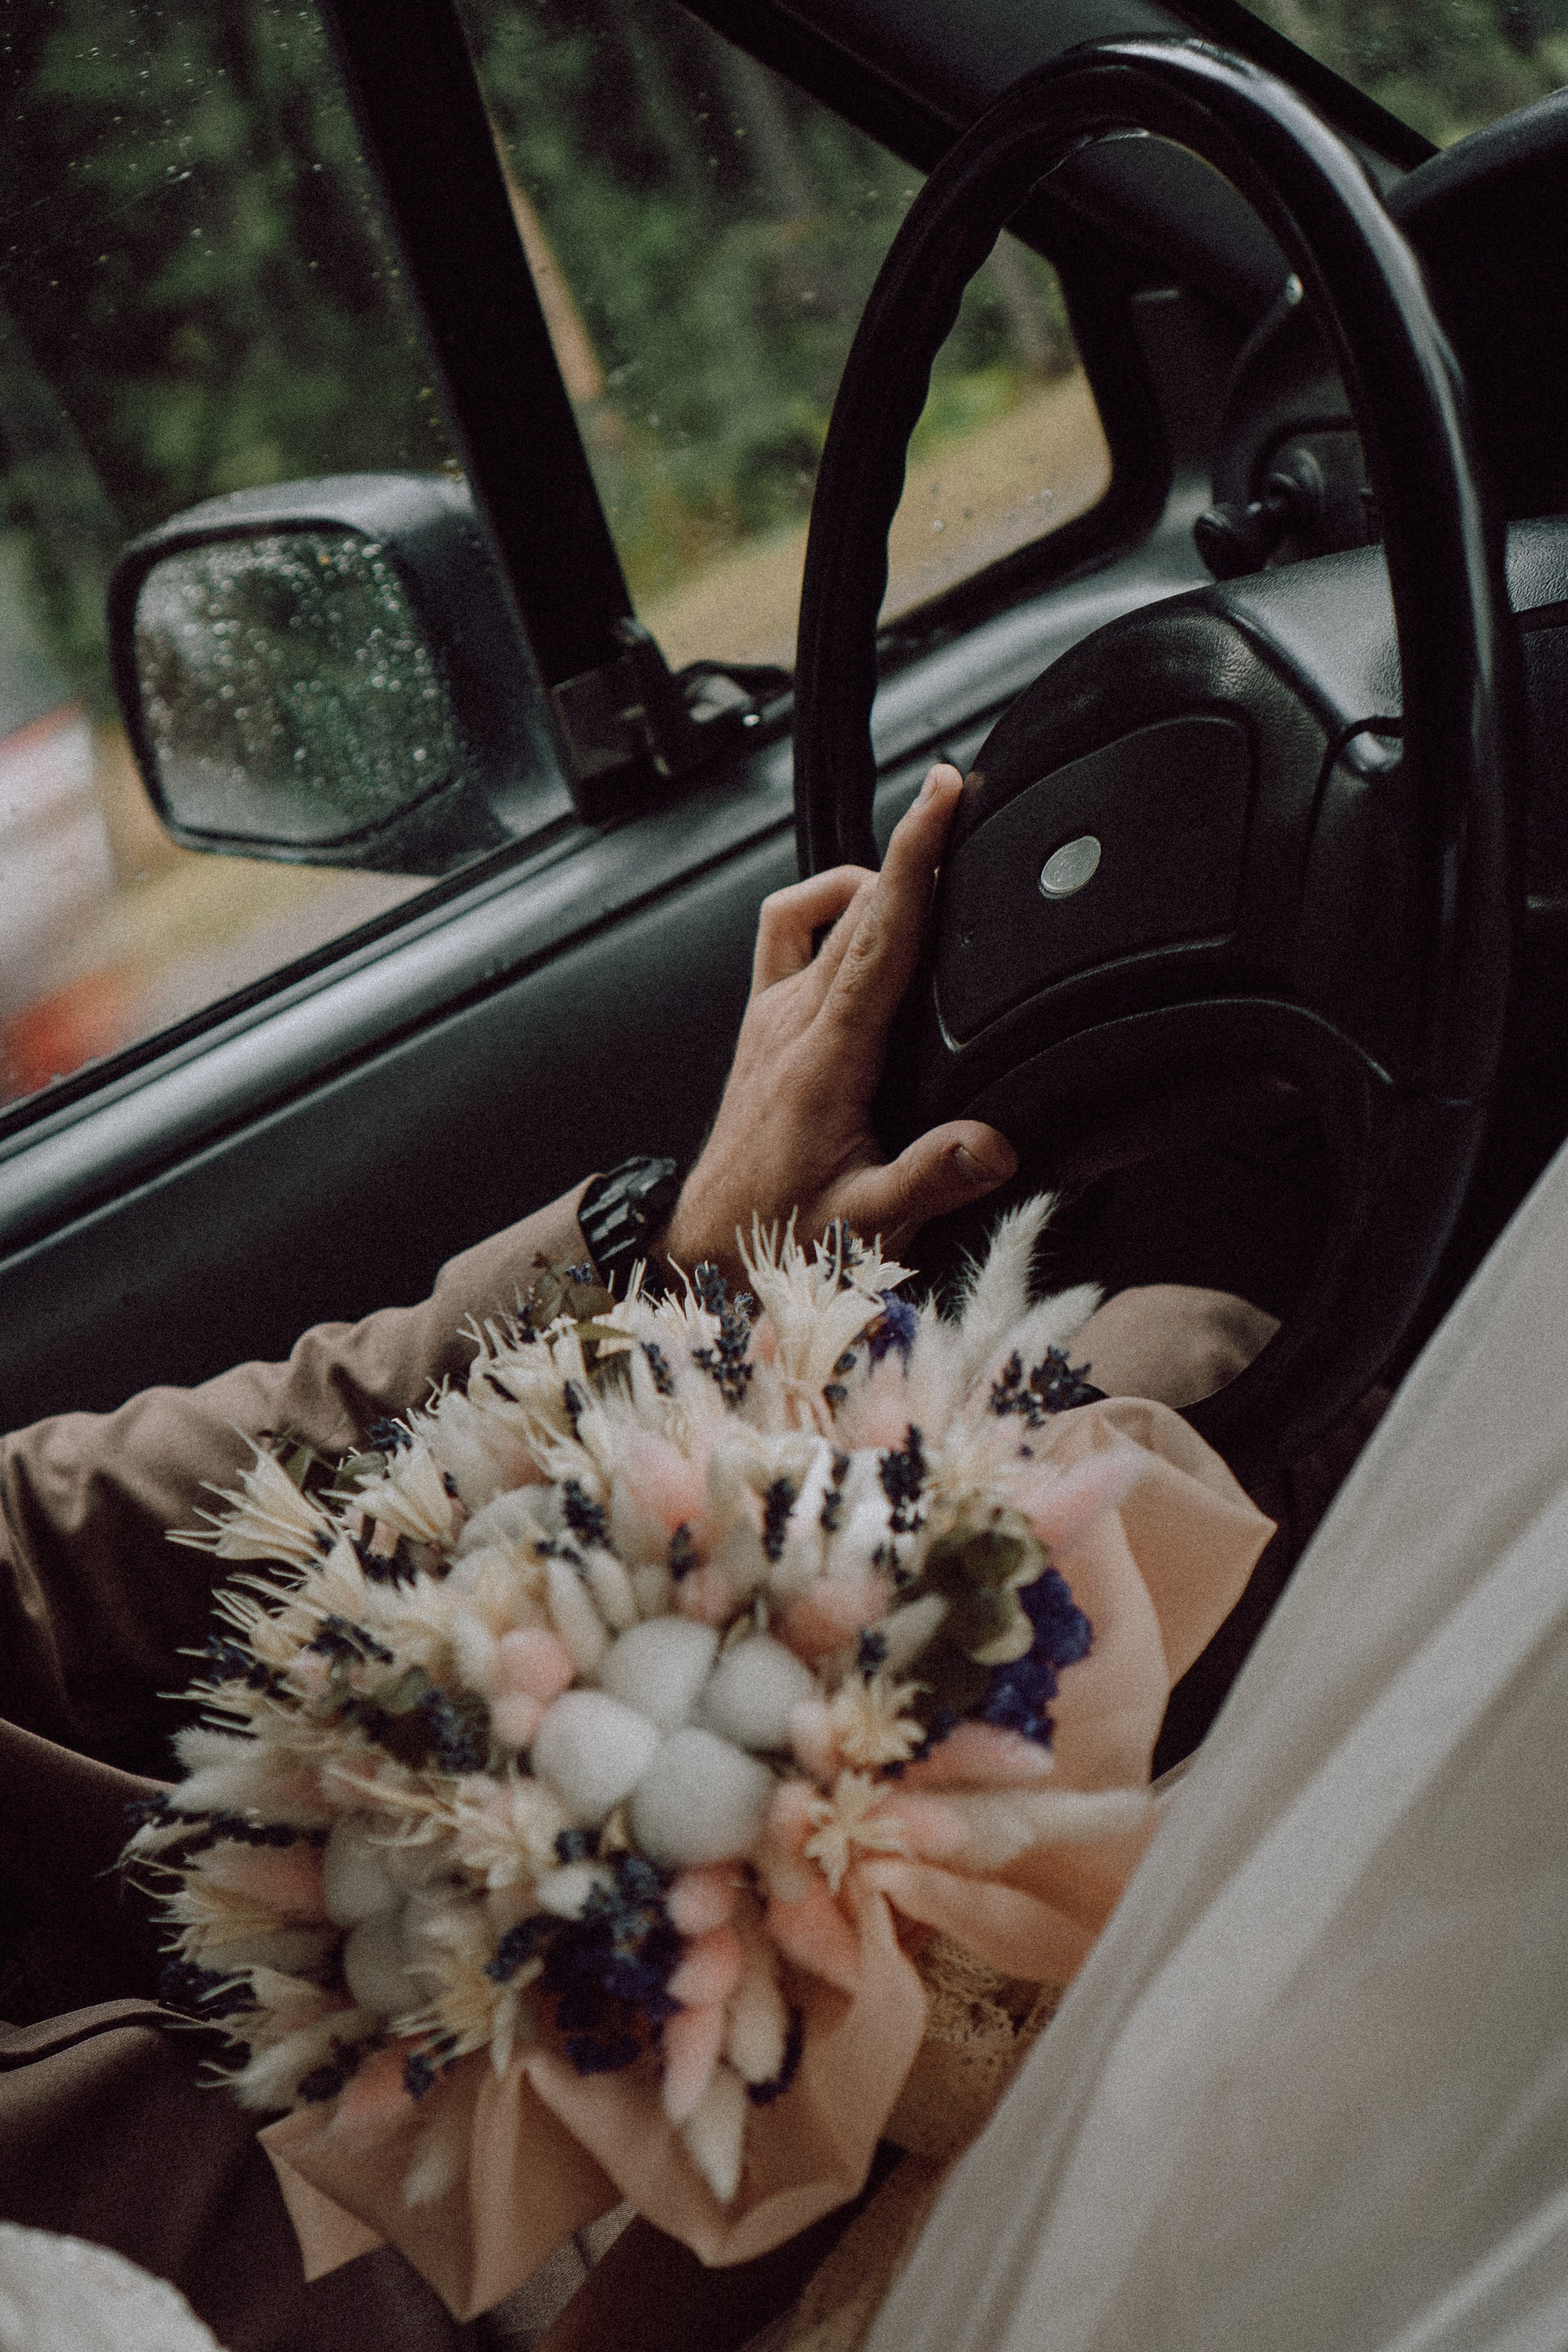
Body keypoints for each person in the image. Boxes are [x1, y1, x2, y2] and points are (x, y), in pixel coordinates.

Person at [0, 765, 1276, 2351]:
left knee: (1173, 1373)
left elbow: (81, 1536)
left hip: (423, 2032)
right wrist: (789, 2143)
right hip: (525, 2294)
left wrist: (665, 1253)